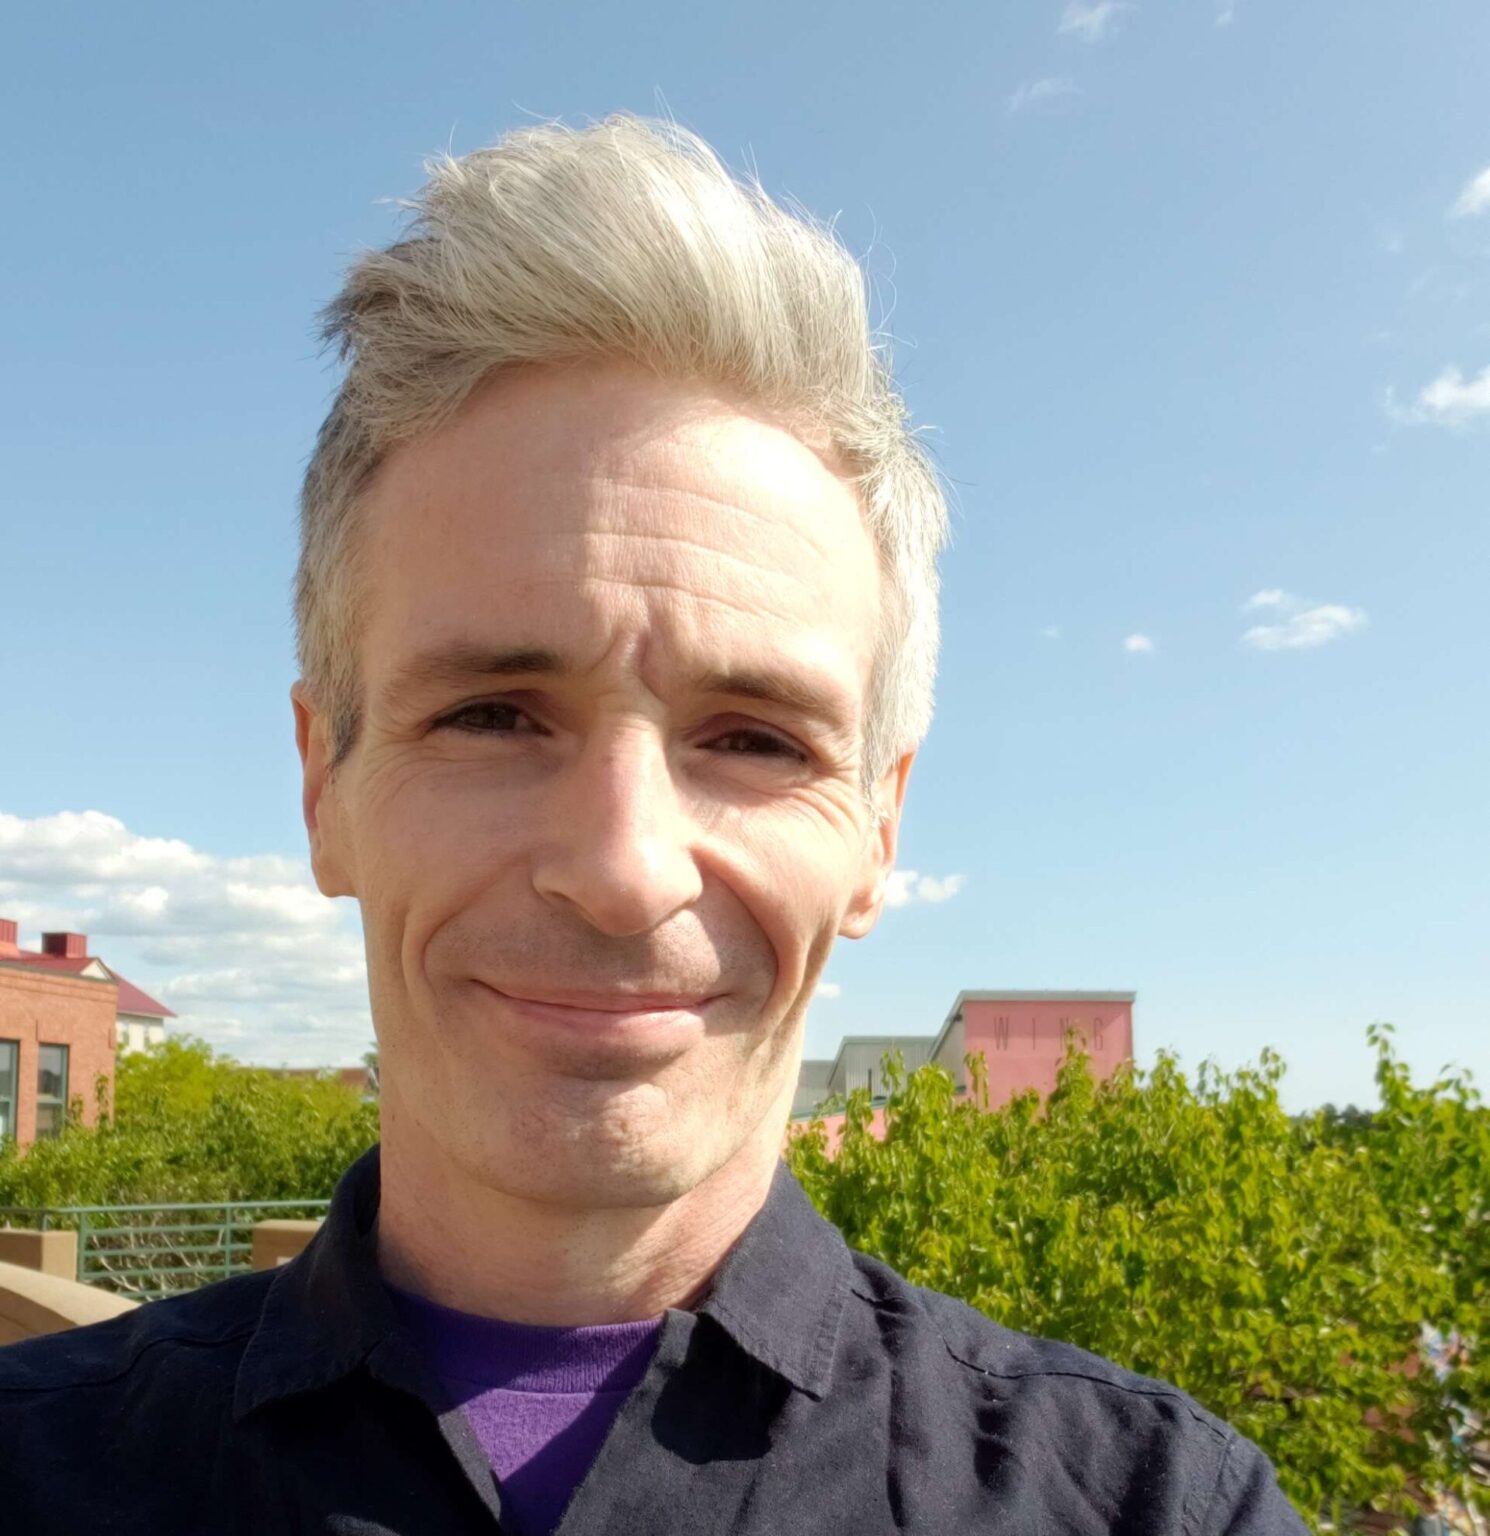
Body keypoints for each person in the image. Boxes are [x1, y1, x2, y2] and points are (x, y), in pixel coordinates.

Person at [0, 115, 1309, 1534]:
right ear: (325, 786)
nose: (623, 871)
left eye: (753, 739)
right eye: (494, 713)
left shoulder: (1152, 1508)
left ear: (878, 829)